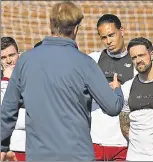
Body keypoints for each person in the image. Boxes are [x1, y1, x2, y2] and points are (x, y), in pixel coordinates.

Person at [1, 2, 124, 161]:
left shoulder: (25, 61)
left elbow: (7, 112)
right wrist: (117, 89)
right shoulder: (85, 63)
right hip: (78, 155)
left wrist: (2, 146)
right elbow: (113, 107)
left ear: (51, 24)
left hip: (39, 156)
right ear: (75, 29)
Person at [88, 13, 153, 160]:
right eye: (104, 37)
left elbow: (145, 52)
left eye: (111, 35)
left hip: (122, 143)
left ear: (122, 31)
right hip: (96, 140)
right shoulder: (94, 59)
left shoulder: (135, 62)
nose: (108, 41)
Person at [119, 37, 153, 161]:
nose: (138, 61)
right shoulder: (127, 87)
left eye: (141, 55)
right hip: (134, 156)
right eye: (134, 57)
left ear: (152, 55)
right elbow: (124, 123)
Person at [1, 37, 25, 161]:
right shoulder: (3, 81)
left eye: (12, 55)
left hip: (25, 146)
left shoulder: (28, 77)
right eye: (3, 58)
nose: (9, 61)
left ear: (19, 55)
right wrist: (6, 81)